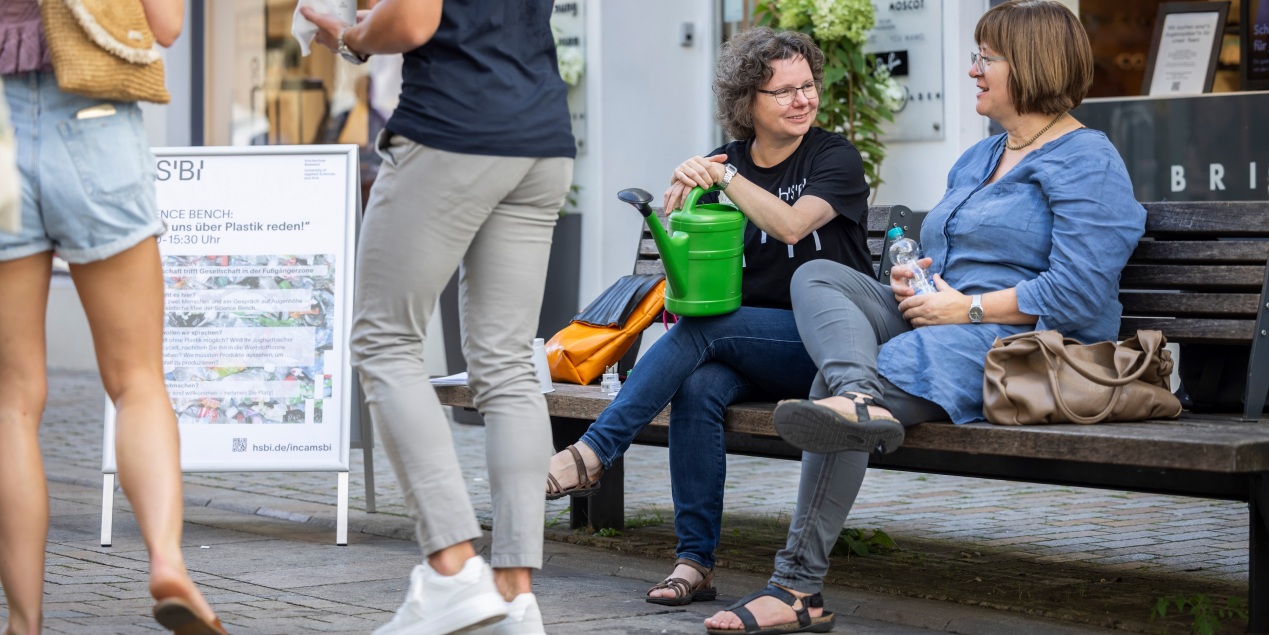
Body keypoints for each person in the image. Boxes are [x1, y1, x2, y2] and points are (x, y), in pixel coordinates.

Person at [702, 2, 1147, 633]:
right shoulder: (980, 156)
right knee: (820, 275)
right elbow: (961, 261)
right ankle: (861, 394)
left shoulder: (1086, 160)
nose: (972, 71)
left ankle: (796, 589)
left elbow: (1078, 292)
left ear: (1032, 65)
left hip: (1028, 342)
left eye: (985, 58)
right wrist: (923, 280)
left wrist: (961, 306)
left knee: (839, 385)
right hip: (947, 315)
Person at [542, 27, 873, 605]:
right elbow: (699, 267)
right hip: (746, 344)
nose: (803, 100)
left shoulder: (833, 157)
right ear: (747, 102)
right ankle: (694, 562)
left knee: (707, 331)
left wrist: (721, 177)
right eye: (784, 92)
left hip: (826, 351)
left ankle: (593, 452)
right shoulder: (732, 161)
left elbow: (792, 225)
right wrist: (684, 198)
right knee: (697, 385)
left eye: (808, 86)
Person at [300, 1, 575, 634]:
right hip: (540, 134)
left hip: (454, 126)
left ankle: (451, 574)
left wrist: (350, 36)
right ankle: (514, 598)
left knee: (384, 343)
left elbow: (414, 20)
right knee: (507, 365)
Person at [0, 2, 226, 634]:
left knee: (12, 400)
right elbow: (168, 26)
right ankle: (167, 561)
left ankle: (23, 621)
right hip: (93, 115)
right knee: (136, 381)